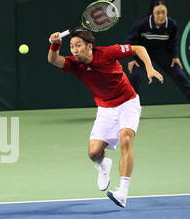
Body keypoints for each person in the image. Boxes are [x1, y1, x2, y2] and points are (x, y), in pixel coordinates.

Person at [47, 28, 163, 208]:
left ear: (89, 46)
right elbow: (54, 60)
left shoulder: (108, 53)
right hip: (105, 110)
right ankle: (103, 165)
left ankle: (123, 192)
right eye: (71, 46)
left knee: (126, 139)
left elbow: (138, 48)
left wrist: (149, 68)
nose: (75, 50)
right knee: (93, 153)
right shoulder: (74, 64)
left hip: (127, 104)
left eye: (78, 45)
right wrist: (55, 44)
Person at [125, 0, 190, 100]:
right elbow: (130, 40)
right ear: (152, 13)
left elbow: (173, 41)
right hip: (141, 53)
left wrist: (174, 56)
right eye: (157, 13)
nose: (161, 16)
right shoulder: (142, 24)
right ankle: (131, 105)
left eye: (163, 12)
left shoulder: (172, 25)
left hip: (162, 53)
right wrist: (131, 58)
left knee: (180, 75)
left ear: (167, 12)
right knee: (135, 77)